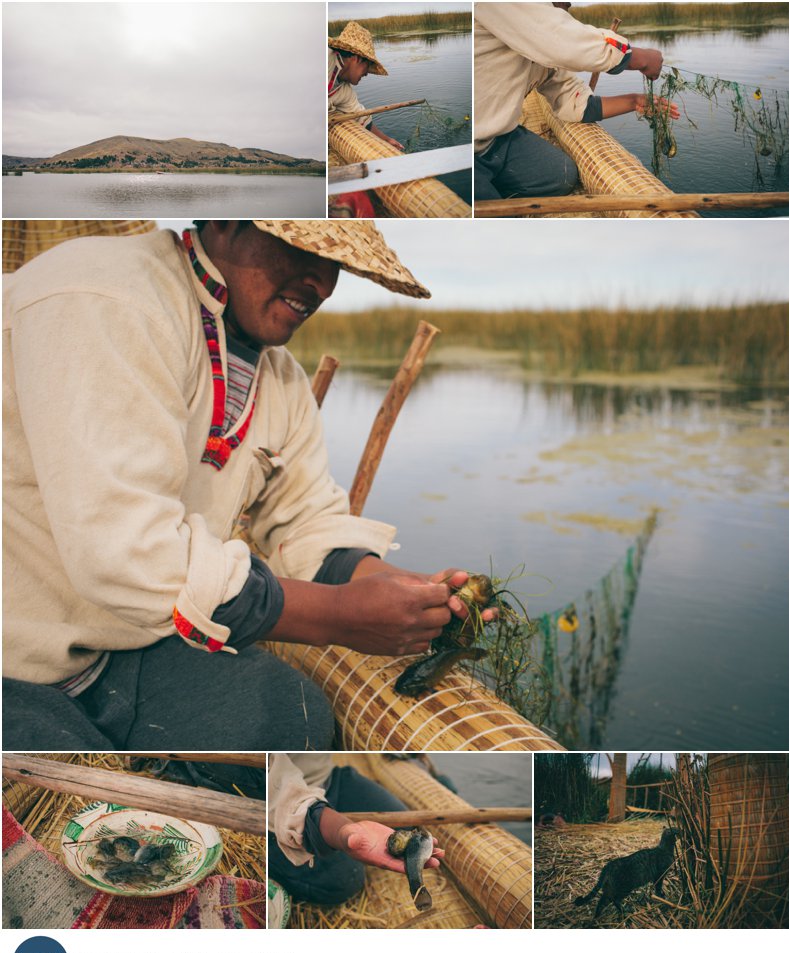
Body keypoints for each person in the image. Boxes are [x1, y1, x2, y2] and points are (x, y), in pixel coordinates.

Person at [2, 220, 494, 751]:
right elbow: (125, 554)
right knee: (68, 787)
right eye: (299, 247)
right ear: (225, 222)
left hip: (120, 643)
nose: (323, 284)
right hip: (18, 653)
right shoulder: (106, 298)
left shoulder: (280, 378)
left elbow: (305, 519)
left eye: (335, 263)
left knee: (290, 721)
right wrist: (336, 615)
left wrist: (412, 594)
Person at [474, 1, 680, 200]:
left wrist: (634, 101)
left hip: (498, 139)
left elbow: (573, 99)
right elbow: (565, 41)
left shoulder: (539, 46)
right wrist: (640, 57)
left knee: (561, 176)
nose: (569, 3)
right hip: (472, 146)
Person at [268, 753, 444, 906]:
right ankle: (271, 860)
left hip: (326, 779)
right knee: (346, 881)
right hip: (276, 802)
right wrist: (340, 831)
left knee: (407, 824)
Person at [328, 21, 404, 151]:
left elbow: (361, 116)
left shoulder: (345, 92)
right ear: (357, 58)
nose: (367, 74)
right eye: (367, 66)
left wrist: (386, 140)